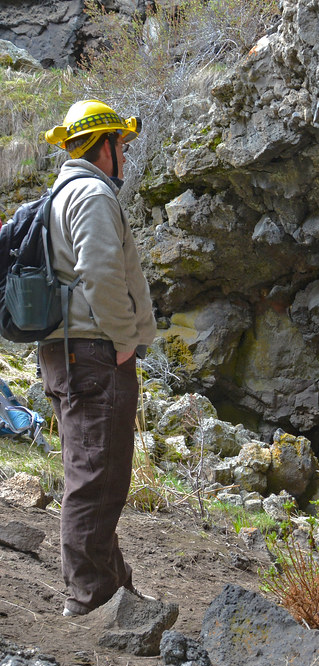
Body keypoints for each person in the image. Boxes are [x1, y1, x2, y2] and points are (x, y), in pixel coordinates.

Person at [41, 99, 158, 617]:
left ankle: (114, 585)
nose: (126, 157)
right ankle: (90, 599)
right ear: (102, 146)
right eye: (122, 146)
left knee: (96, 469)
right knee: (96, 478)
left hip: (70, 353)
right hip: (94, 354)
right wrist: (125, 338)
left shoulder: (59, 194)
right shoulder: (91, 194)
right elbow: (102, 273)